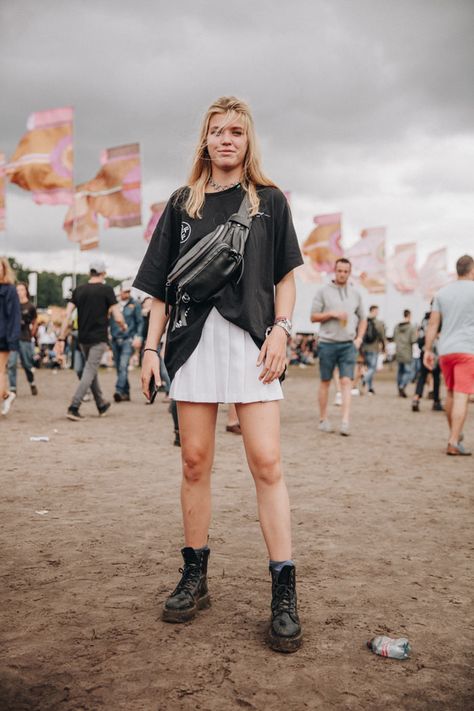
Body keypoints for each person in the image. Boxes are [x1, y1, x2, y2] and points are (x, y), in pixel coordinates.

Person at [133, 96, 304, 653]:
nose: (226, 139)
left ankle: (283, 590)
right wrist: (150, 349)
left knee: (267, 462)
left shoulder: (270, 202)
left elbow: (285, 277)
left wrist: (281, 329)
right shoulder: (182, 203)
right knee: (194, 460)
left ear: (248, 139)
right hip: (191, 340)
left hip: (254, 342)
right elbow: (160, 286)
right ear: (204, 140)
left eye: (236, 131)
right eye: (216, 131)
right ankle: (195, 575)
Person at [55, 259, 127, 420]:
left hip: (83, 338)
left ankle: (101, 404)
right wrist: (123, 326)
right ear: (103, 273)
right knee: (89, 371)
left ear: (90, 273)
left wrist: (61, 336)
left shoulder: (79, 290)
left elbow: (67, 315)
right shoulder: (107, 290)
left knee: (91, 370)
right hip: (99, 338)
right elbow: (117, 315)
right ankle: (74, 406)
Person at [424, 254, 474, 456]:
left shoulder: (442, 293)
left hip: (446, 350)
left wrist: (427, 349)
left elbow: (433, 324)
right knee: (462, 395)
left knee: (451, 394)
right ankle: (453, 440)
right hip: (467, 349)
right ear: (472, 271)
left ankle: (455, 434)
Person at [310, 258, 367, 436]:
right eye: (339, 270)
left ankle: (344, 421)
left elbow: (363, 318)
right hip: (327, 343)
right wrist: (331, 313)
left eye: (345, 271)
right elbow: (313, 316)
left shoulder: (356, 294)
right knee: (325, 381)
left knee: (346, 382)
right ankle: (323, 419)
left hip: (348, 344)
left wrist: (359, 338)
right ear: (334, 271)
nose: (342, 274)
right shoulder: (323, 292)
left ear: (350, 273)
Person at [110, 282, 143, 402]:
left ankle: (118, 390)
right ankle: (126, 392)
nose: (127, 294)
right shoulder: (114, 304)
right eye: (125, 291)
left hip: (127, 339)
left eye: (129, 291)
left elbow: (140, 322)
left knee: (123, 365)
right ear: (120, 291)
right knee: (119, 367)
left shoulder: (135, 304)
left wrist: (138, 336)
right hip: (114, 339)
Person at [7, 282, 38, 397]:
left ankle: (32, 382)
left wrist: (32, 334)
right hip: (13, 338)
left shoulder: (30, 306)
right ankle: (13, 388)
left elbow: (35, 322)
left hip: (25, 337)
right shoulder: (13, 305)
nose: (19, 292)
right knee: (12, 363)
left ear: (26, 291)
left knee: (27, 364)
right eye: (17, 290)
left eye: (21, 289)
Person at [411, 307, 443, 412]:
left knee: (422, 376)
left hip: (424, 351)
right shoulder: (439, 319)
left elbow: (419, 336)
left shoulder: (424, 319)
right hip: (435, 352)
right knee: (436, 377)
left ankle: (416, 398)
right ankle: (436, 402)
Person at [0, 257, 21, 416]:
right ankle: (7, 394)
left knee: (0, 370)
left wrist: (12, 339)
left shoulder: (10, 290)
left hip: (3, 336)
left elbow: (14, 316)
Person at [361, 305, 385, 394]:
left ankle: (370, 388)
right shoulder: (378, 322)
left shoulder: (364, 321)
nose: (378, 312)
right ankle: (364, 379)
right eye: (377, 311)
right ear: (374, 311)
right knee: (372, 368)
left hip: (364, 348)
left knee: (369, 368)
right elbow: (382, 336)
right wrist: (384, 346)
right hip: (373, 348)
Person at [393, 310, 417, 397]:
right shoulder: (411, 327)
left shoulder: (397, 326)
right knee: (408, 372)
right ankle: (402, 386)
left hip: (398, 350)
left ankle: (399, 387)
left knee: (400, 371)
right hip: (407, 351)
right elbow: (413, 340)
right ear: (409, 315)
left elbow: (394, 337)